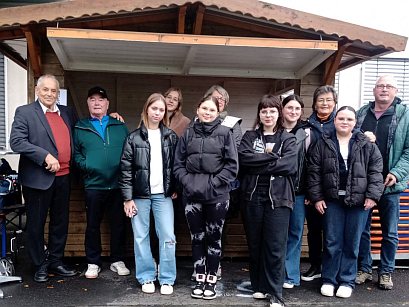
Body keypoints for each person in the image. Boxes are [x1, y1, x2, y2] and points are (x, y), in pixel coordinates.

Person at [308, 106, 383, 298]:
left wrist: (372, 196)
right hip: (332, 201)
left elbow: (375, 172)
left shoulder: (367, 144)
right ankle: (328, 279)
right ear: (334, 121)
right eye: (341, 118)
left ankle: (346, 280)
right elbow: (314, 172)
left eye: (349, 119)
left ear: (355, 122)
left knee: (352, 242)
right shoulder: (323, 143)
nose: (345, 122)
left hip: (359, 202)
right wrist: (317, 197)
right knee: (332, 241)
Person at [9, 74, 78, 282]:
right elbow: (17, 142)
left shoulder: (67, 113)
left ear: (58, 93)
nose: (49, 94)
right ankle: (39, 264)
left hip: (64, 177)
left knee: (60, 222)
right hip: (38, 179)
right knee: (36, 224)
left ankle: (56, 261)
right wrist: (44, 155)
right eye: (45, 89)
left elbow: (81, 132)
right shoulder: (26, 112)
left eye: (53, 90)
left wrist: (112, 116)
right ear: (37, 90)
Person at [173, 95, 238, 300]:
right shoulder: (188, 133)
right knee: (197, 237)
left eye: (212, 110)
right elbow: (178, 164)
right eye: (204, 108)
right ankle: (199, 275)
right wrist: (188, 183)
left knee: (214, 237)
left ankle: (212, 276)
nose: (207, 113)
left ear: (218, 113)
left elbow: (232, 166)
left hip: (217, 195)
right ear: (198, 109)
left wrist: (213, 183)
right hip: (192, 195)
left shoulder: (225, 133)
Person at [238, 94, 297, 307]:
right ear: (259, 114)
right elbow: (243, 160)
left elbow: (289, 166)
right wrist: (272, 158)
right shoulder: (249, 136)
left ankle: (275, 293)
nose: (268, 115)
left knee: (275, 246)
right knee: (255, 244)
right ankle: (259, 286)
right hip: (252, 197)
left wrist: (259, 163)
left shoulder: (288, 138)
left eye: (272, 111)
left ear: (278, 113)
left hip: (279, 199)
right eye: (264, 111)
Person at [119, 93, 178, 295]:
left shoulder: (171, 136)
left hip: (163, 195)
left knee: (168, 236)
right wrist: (127, 198)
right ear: (147, 109)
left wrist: (174, 187)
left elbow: (176, 166)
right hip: (140, 195)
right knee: (141, 236)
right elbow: (125, 170)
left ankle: (167, 278)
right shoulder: (133, 138)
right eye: (154, 108)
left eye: (161, 110)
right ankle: (146, 276)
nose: (158, 113)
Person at [355, 75, 409, 290]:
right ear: (374, 90)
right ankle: (365, 269)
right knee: (362, 230)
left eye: (388, 86)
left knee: (390, 232)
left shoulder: (405, 115)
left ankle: (385, 272)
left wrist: (396, 173)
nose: (384, 89)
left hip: (390, 184)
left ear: (396, 91)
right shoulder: (360, 114)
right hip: (364, 183)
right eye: (380, 86)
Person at [73, 86, 130, 279]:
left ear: (107, 104)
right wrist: (88, 165)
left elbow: (129, 152)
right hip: (93, 185)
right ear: (87, 103)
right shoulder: (80, 127)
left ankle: (117, 260)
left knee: (119, 224)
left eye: (101, 100)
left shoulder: (119, 126)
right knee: (92, 225)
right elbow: (76, 154)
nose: (97, 103)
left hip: (116, 184)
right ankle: (93, 262)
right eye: (92, 99)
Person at [302, 85, 338, 282]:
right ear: (314, 103)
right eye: (321, 100)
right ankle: (315, 265)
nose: (325, 104)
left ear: (334, 103)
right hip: (312, 187)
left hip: (334, 187)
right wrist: (310, 191)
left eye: (328, 100)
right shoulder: (306, 126)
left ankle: (331, 269)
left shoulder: (340, 124)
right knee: (314, 229)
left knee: (332, 232)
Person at [281, 95, 310, 289]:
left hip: (299, 192)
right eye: (289, 107)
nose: (293, 111)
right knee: (277, 234)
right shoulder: (274, 130)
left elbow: (312, 164)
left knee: (295, 233)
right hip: (277, 191)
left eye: (297, 109)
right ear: (282, 109)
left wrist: (311, 191)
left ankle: (291, 276)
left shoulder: (307, 133)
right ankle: (277, 273)